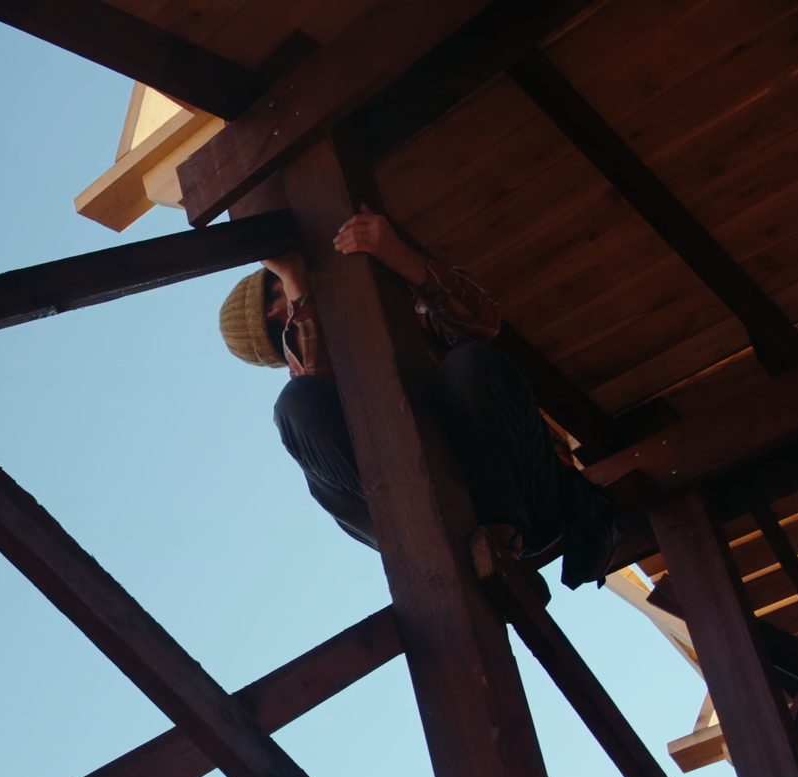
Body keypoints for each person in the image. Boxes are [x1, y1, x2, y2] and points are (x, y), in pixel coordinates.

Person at [220, 205, 619, 588]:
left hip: (524, 497)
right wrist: (297, 287)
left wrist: (398, 256)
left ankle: (498, 540)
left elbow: (483, 325)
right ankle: (435, 530)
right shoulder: (306, 397)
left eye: (277, 292)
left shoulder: (396, 304)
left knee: (470, 364)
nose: (283, 308)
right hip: (426, 514)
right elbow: (312, 388)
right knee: (296, 406)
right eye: (281, 320)